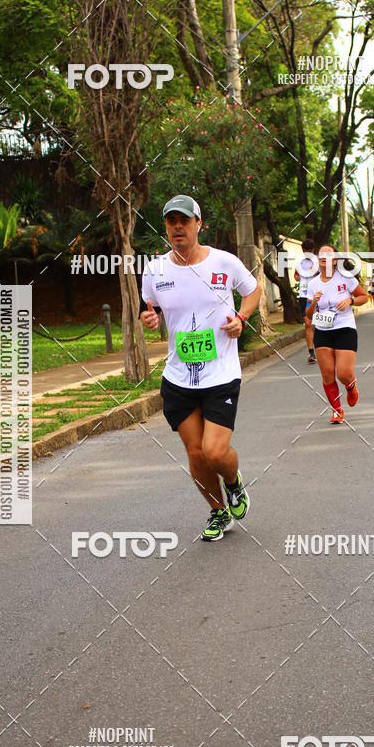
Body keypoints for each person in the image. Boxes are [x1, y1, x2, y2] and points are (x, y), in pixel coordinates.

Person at [140, 194, 261, 542]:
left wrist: (242, 317)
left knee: (215, 451)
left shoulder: (224, 262)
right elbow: (149, 308)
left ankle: (234, 484)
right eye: (171, 221)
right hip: (178, 376)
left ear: (198, 224)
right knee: (195, 452)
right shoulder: (155, 269)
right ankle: (217, 511)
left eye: (184, 220)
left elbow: (252, 291)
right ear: (166, 227)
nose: (177, 227)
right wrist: (149, 318)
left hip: (220, 373)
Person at [305, 246, 369, 424]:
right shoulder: (313, 284)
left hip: (344, 327)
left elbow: (364, 296)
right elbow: (309, 316)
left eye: (328, 255)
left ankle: (350, 386)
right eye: (321, 255)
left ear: (335, 260)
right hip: (323, 331)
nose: (324, 258)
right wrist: (314, 303)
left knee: (343, 373)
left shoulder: (346, 278)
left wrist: (351, 300)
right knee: (327, 375)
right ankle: (337, 410)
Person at [294, 238, 318, 363]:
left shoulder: (319, 261)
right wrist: (298, 276)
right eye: (305, 251)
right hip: (304, 295)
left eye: (309, 250)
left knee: (320, 323)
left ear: (313, 250)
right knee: (308, 324)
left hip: (318, 295)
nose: (307, 253)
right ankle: (311, 352)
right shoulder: (299, 261)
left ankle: (323, 347)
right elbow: (296, 276)